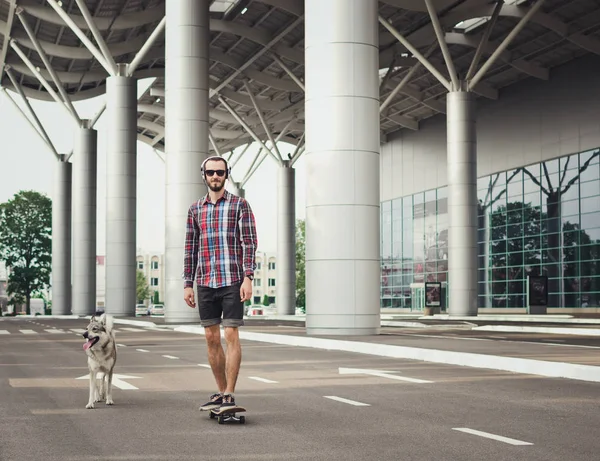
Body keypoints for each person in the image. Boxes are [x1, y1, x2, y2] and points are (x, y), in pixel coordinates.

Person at [182, 155, 258, 412]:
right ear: (203, 175)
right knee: (211, 337)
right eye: (211, 172)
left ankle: (230, 393)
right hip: (204, 281)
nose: (216, 176)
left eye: (220, 172)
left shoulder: (240, 205)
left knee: (230, 334)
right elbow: (190, 248)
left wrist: (248, 276)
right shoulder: (195, 209)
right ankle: (221, 390)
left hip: (233, 280)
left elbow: (249, 242)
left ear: (226, 175)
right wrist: (187, 283)